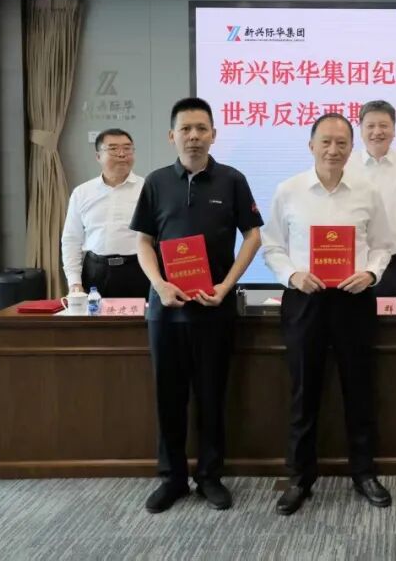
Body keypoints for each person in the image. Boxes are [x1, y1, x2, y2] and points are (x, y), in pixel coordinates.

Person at [130, 97, 263, 514]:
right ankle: (171, 479)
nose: (193, 136)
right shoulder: (155, 182)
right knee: (168, 398)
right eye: (185, 129)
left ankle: (209, 476)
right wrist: (160, 285)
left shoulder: (233, 180)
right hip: (166, 311)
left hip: (214, 308)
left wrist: (225, 286)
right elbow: (143, 242)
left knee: (211, 396)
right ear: (172, 135)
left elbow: (253, 236)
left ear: (213, 134)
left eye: (201, 128)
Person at [262, 112, 393, 515]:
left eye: (341, 143)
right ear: (311, 145)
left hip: (354, 300)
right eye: (326, 142)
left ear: (352, 148)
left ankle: (364, 473)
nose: (333, 150)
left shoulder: (367, 191)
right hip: (305, 301)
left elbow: (383, 245)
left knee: (359, 390)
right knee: (304, 392)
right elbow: (272, 246)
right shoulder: (288, 190)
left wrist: (371, 272)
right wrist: (292, 275)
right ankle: (299, 478)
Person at [345, 100, 396, 299]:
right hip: (354, 264)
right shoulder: (346, 166)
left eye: (383, 125)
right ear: (360, 130)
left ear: (394, 129)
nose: (377, 132)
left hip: (395, 265)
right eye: (370, 126)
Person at [61, 129, 150, 298]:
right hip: (96, 271)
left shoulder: (148, 189)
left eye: (127, 148)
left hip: (139, 269)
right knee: (95, 316)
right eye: (113, 149)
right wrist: (74, 282)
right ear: (98, 156)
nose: (122, 154)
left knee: (140, 315)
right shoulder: (82, 192)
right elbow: (71, 240)